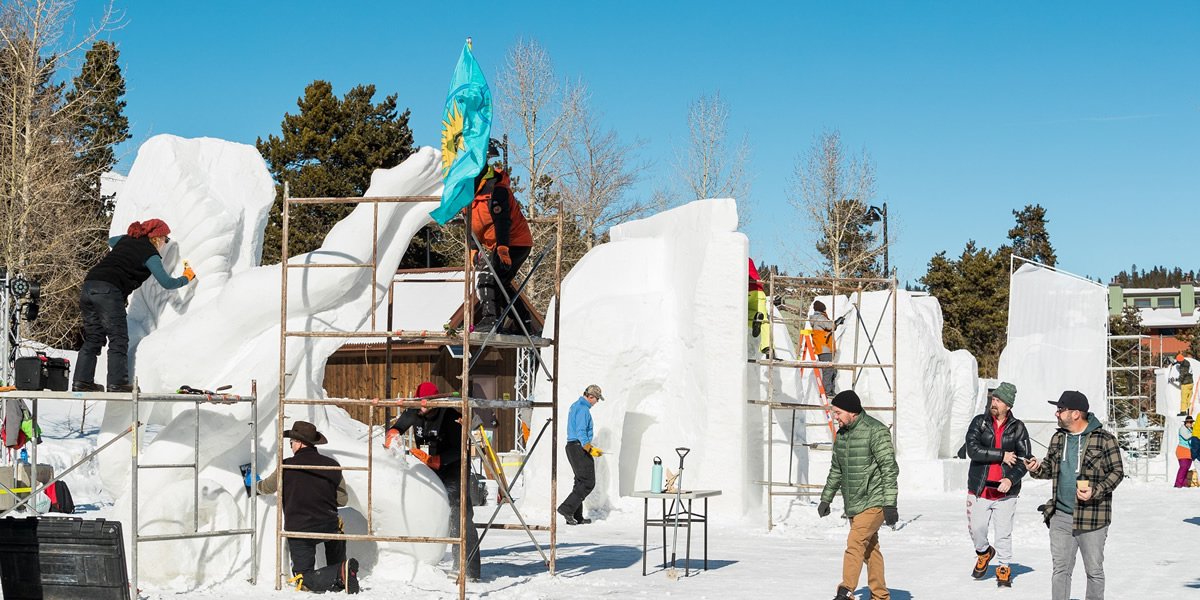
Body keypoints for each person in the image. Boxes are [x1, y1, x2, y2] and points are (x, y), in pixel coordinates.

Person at [72, 219, 196, 393]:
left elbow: (111, 240)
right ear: (158, 238)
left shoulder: (125, 240)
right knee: (118, 338)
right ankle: (118, 384)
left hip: (89, 286)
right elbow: (167, 283)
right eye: (165, 239)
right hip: (109, 290)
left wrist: (131, 237)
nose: (164, 243)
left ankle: (82, 382)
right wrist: (186, 278)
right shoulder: (150, 255)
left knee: (93, 337)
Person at [1025, 391, 1123, 600]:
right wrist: (1035, 468)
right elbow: (1050, 468)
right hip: (1060, 514)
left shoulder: (1105, 439)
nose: (1056, 413)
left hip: (1093, 517)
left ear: (1076, 413)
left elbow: (1117, 472)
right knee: (1060, 570)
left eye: (1061, 409)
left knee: (1094, 572)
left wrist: (1095, 491)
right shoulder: (1058, 438)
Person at [384, 382, 480, 581]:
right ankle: (423, 558)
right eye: (421, 402)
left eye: (428, 402)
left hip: (453, 470)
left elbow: (460, 449)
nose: (424, 406)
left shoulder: (450, 417)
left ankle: (467, 566)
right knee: (425, 512)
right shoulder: (414, 412)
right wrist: (392, 435)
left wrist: (438, 460)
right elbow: (398, 427)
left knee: (459, 516)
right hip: (428, 472)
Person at [256, 421, 359, 594]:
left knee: (302, 578)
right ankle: (341, 569)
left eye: (291, 443)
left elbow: (268, 487)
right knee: (337, 532)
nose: (290, 446)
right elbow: (342, 500)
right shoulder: (333, 465)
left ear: (300, 443)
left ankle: (339, 573)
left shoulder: (286, 465)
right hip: (328, 524)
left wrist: (254, 486)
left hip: (299, 528)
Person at [818, 390, 899, 600]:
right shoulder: (842, 435)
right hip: (854, 502)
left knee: (855, 543)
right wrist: (826, 498)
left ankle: (846, 590)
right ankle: (880, 596)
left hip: (875, 500)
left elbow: (889, 468)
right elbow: (837, 470)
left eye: (838, 412)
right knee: (870, 550)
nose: (835, 417)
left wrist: (889, 504)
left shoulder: (875, 431)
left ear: (851, 412)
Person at [964, 382, 1031, 587]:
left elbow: (1025, 459)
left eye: (999, 401)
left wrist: (1010, 479)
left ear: (1008, 406)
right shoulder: (979, 422)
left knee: (1003, 532)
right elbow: (972, 450)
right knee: (977, 529)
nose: (994, 403)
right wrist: (1001, 455)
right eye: (993, 399)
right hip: (980, 489)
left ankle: (1003, 566)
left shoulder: (1018, 427)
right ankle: (984, 553)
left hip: (1006, 492)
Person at [469, 139, 534, 334]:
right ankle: (524, 322)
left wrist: (503, 248)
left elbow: (502, 221)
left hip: (514, 241)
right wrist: (474, 246)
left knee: (489, 278)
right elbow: (471, 223)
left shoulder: (496, 190)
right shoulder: (468, 193)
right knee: (501, 282)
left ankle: (491, 321)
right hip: (496, 243)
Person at [558, 384, 604, 526]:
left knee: (580, 481)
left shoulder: (575, 406)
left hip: (572, 447)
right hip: (579, 447)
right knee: (588, 482)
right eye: (597, 399)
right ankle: (566, 508)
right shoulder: (584, 410)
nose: (596, 402)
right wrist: (588, 448)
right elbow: (581, 431)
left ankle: (577, 516)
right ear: (591, 397)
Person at [808, 300, 843, 395]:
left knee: (832, 370)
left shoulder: (818, 317)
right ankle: (827, 392)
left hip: (824, 348)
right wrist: (837, 323)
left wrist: (835, 323)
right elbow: (830, 326)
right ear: (822, 309)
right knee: (828, 370)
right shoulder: (820, 318)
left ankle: (830, 390)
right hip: (825, 348)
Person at [747, 259, 772, 358]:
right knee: (765, 320)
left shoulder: (738, 256)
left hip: (748, 290)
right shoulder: (750, 260)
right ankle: (768, 347)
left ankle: (753, 317)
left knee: (739, 315)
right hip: (760, 292)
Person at [1176, 415, 1194, 488]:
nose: (1190, 423)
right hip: (1182, 450)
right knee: (1183, 467)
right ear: (1185, 422)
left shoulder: (1190, 429)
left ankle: (1184, 483)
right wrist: (1194, 432)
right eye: (1189, 422)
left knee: (1186, 468)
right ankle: (1178, 483)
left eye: (1191, 422)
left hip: (1189, 451)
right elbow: (1186, 437)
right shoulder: (1182, 429)